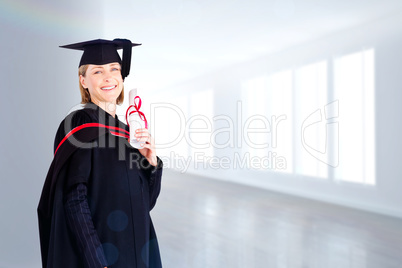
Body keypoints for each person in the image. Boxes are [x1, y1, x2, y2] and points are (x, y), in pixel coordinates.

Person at [38, 39, 163, 268]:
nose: (108, 77)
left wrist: (151, 163)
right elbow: (74, 199)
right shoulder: (79, 125)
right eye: (98, 71)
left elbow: (146, 204)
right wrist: (97, 261)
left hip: (138, 249)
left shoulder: (128, 131)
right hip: (103, 253)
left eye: (114, 69)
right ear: (83, 80)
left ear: (122, 76)